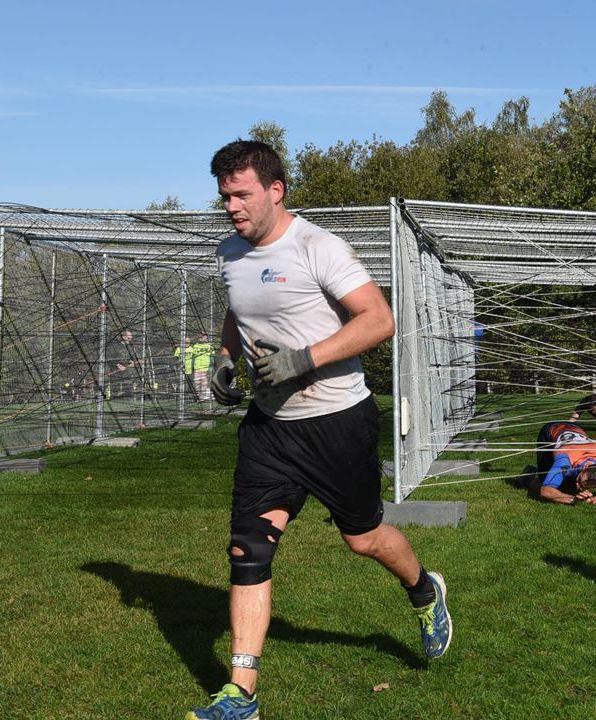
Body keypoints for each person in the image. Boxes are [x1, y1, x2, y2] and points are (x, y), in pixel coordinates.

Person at [189, 140, 451, 720]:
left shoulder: (318, 247)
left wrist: (303, 359)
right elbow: (239, 309)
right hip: (270, 429)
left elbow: (378, 319)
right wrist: (225, 357)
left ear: (275, 190)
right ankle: (241, 694)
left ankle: (423, 589)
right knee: (248, 548)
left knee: (363, 538)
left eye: (241, 195)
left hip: (337, 422)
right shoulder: (228, 252)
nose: (231, 207)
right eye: (224, 196)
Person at [528, 421, 596, 505]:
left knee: (567, 485)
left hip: (575, 428)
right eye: (579, 481)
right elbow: (546, 491)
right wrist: (572, 499)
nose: (578, 486)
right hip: (551, 431)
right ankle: (527, 476)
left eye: (584, 486)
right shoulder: (565, 460)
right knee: (544, 481)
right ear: (585, 467)